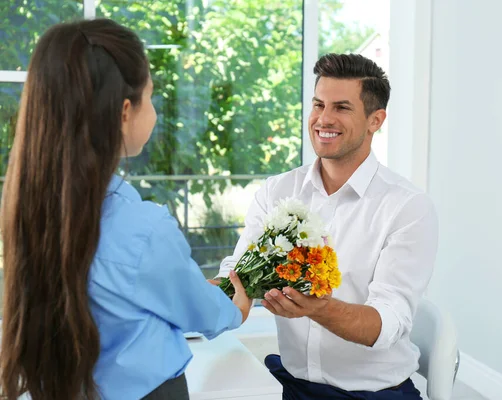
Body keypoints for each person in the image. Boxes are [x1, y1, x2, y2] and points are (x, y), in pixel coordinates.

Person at [0, 19, 252, 400]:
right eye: (150, 97)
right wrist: (237, 307)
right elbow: (204, 312)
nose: (153, 111)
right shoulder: (143, 228)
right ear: (123, 112)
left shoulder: (29, 211)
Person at [217, 53, 438, 399]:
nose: (324, 119)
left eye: (342, 108)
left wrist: (318, 309)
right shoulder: (278, 190)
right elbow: (238, 273)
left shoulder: (408, 207)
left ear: (375, 120)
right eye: (319, 104)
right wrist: (203, 294)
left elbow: (387, 323)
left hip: (374, 394)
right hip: (293, 386)